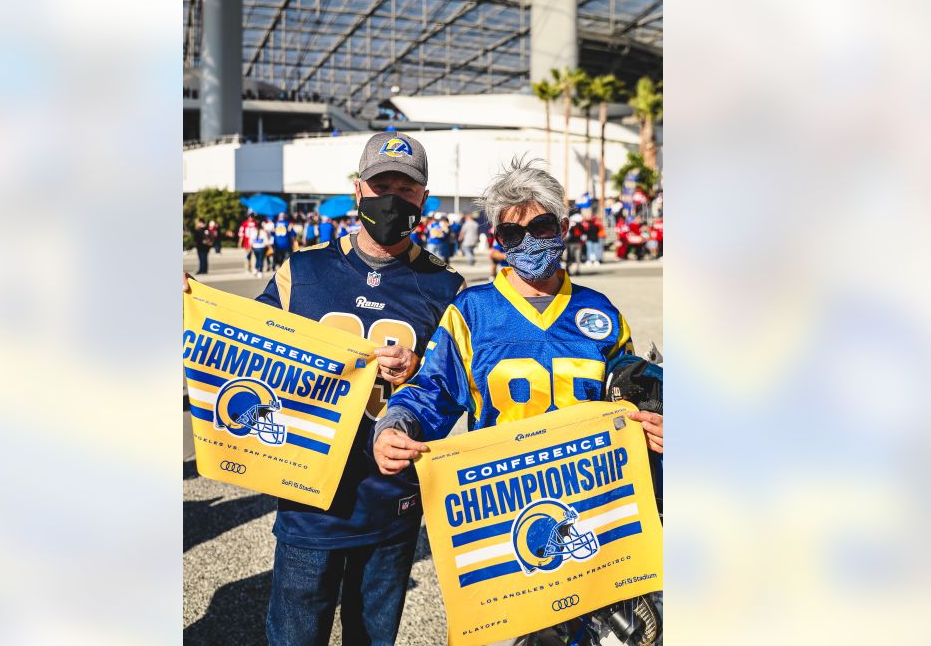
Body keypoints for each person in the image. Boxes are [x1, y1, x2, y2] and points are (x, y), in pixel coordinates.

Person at [371, 157, 663, 645]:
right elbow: (434, 391)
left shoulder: (600, 312)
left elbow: (631, 397)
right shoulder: (472, 312)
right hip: (504, 517)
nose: (528, 242)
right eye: (511, 233)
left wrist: (657, 422)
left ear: (563, 227)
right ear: (496, 241)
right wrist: (396, 424)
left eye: (541, 225)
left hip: (594, 512)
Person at [258, 132, 466, 646]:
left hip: (391, 499)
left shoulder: (447, 287)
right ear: (358, 190)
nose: (392, 198)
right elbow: (241, 344)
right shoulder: (300, 270)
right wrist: (193, 304)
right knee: (294, 639)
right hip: (310, 495)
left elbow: (455, 386)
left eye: (405, 187)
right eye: (380, 185)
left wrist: (419, 367)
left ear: (423, 198)